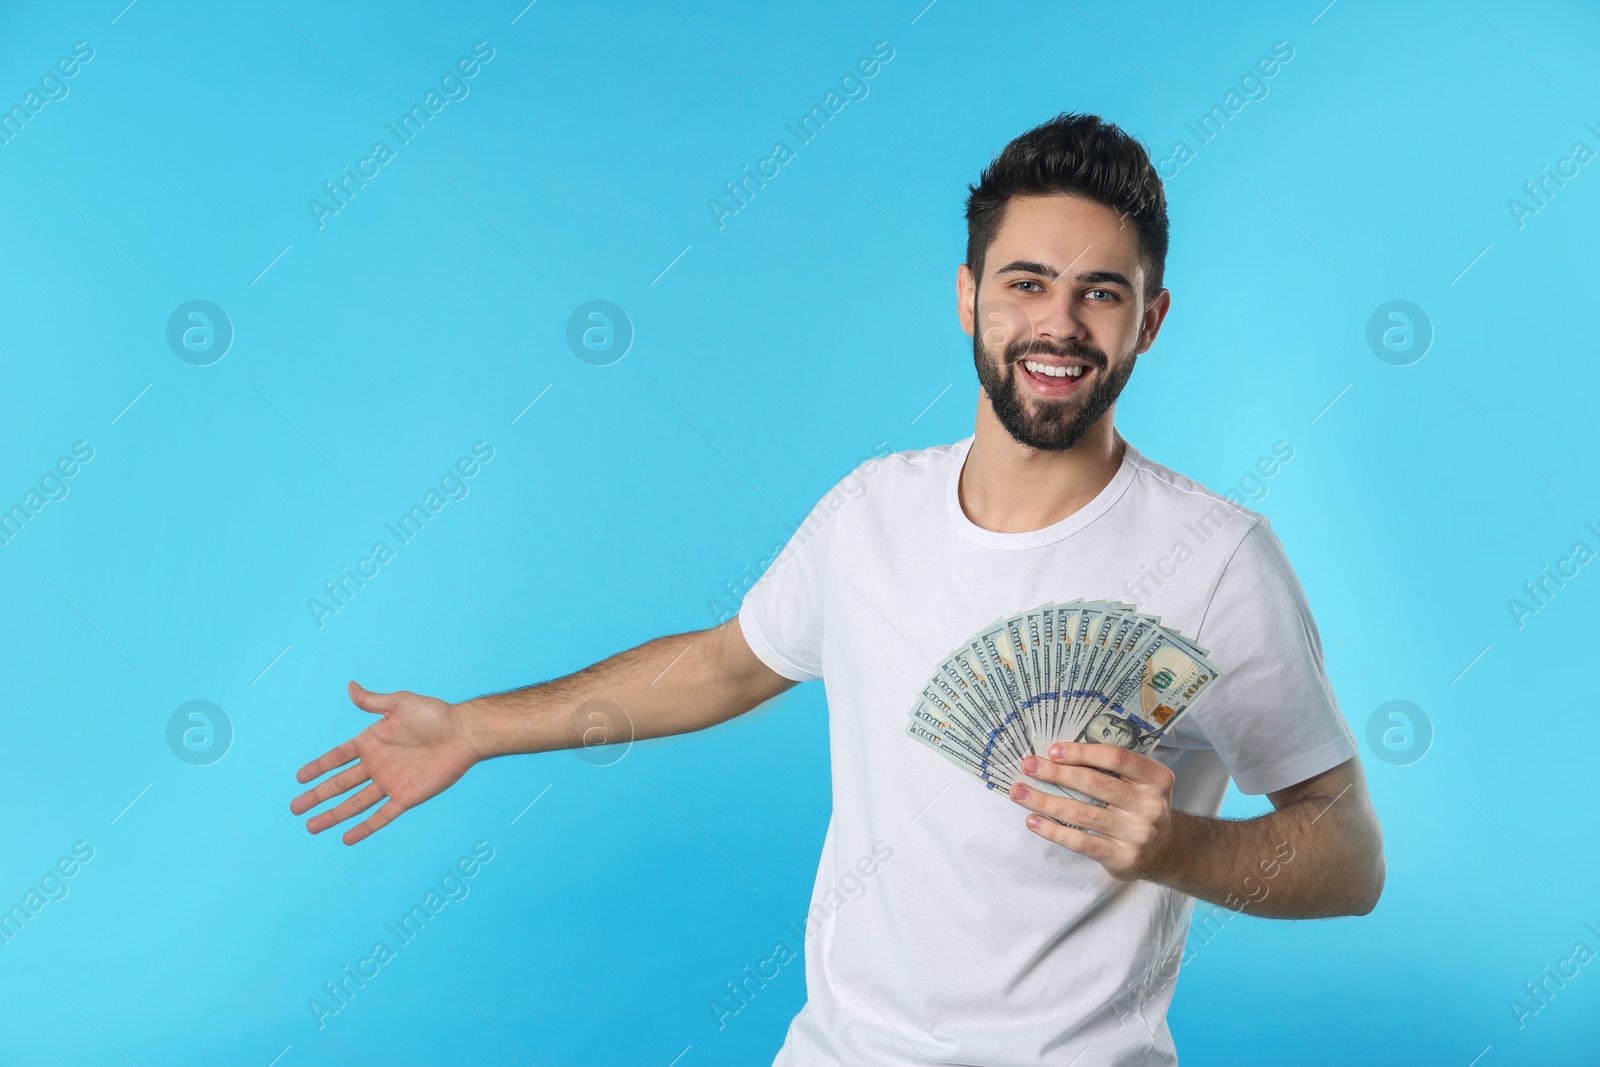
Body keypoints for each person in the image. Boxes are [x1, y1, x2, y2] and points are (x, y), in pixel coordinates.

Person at [290, 111, 1384, 1065]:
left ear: (1148, 319)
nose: (1059, 324)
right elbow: (725, 663)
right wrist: (473, 728)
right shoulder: (869, 513)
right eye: (1026, 282)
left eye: (1101, 293)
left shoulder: (1218, 558)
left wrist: (1176, 845)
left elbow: (1348, 854)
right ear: (967, 298)